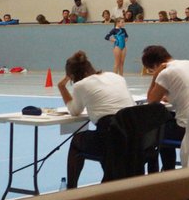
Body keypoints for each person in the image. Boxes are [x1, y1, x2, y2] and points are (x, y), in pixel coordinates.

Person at [58, 51, 137, 188]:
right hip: (134, 137)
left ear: (72, 76)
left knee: (77, 141)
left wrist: (62, 88)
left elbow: (74, 111)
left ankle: (71, 188)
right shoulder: (116, 77)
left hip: (110, 136)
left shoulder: (81, 85)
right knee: (105, 140)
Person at [142, 45, 189, 166]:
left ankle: (167, 168)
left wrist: (155, 76)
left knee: (156, 131)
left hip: (187, 128)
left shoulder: (165, 73)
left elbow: (151, 101)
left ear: (155, 65)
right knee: (166, 121)